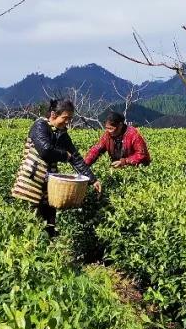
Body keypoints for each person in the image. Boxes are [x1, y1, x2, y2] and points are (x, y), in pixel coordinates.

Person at [13, 98, 100, 238]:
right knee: (30, 220)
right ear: (53, 115)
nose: (68, 122)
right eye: (65, 118)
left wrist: (92, 179)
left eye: (70, 119)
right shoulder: (39, 126)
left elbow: (75, 157)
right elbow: (45, 151)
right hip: (31, 180)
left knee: (49, 220)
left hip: (48, 184)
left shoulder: (61, 133)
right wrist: (65, 155)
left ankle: (50, 249)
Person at [85, 110, 151, 168]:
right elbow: (96, 150)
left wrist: (124, 162)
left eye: (111, 128)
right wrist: (84, 165)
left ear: (120, 125)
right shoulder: (107, 135)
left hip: (138, 169)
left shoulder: (133, 135)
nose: (108, 131)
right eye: (107, 128)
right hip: (118, 167)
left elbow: (142, 155)